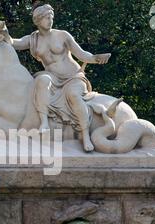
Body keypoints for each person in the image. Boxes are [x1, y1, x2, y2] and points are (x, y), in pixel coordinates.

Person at [10, 4, 111, 152]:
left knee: (73, 95)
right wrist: (3, 33)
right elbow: (14, 43)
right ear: (38, 20)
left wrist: (96, 58)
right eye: (46, 18)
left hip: (73, 77)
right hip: (53, 77)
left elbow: (82, 54)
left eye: (51, 17)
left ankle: (85, 134)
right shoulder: (33, 39)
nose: (50, 21)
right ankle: (44, 122)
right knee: (41, 80)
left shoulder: (62, 35)